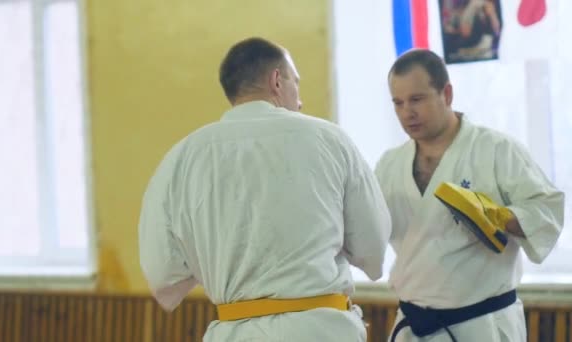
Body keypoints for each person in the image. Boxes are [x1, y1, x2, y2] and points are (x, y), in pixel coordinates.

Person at [138, 37, 392, 341]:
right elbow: (373, 247)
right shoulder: (330, 140)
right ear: (276, 80)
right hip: (321, 330)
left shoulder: (181, 157)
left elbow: (162, 273)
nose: (300, 101)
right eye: (295, 83)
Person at [375, 49, 565, 341]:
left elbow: (547, 210)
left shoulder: (497, 150)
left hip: (482, 324)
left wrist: (500, 216)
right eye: (398, 103)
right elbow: (369, 228)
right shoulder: (389, 164)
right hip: (414, 325)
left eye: (417, 99)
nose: (407, 113)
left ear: (446, 94)